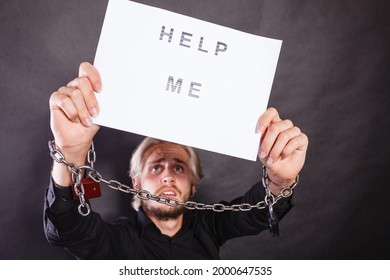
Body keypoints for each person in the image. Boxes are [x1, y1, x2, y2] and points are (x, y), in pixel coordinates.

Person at [44, 62, 308, 259]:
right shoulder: (118, 242)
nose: (167, 176)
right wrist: (70, 154)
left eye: (179, 167)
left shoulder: (209, 227)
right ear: (136, 182)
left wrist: (280, 179)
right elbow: (69, 230)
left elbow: (256, 213)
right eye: (156, 167)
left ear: (193, 186)